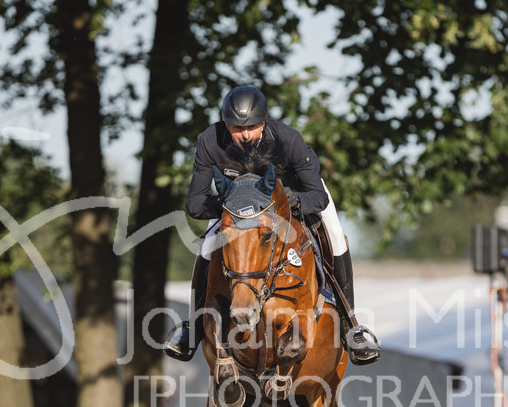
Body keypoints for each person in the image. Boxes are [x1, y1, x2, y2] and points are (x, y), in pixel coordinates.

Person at [163, 85, 380, 365]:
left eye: (251, 127)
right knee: (207, 246)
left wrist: (293, 201)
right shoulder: (210, 140)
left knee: (336, 235)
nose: (244, 135)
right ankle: (193, 327)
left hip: (293, 199)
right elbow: (194, 203)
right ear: (226, 125)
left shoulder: (288, 140)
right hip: (234, 206)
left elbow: (318, 196)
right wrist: (233, 208)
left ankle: (350, 325)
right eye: (236, 128)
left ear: (264, 122)